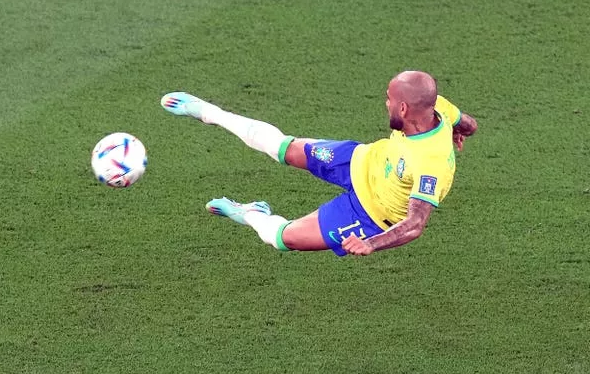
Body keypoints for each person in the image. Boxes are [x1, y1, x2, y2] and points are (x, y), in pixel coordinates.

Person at [161, 71, 478, 256]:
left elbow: (414, 225)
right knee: (282, 147)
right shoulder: (438, 108)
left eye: (389, 100)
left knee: (282, 238)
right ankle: (208, 113)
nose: (386, 103)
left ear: (405, 108)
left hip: (368, 214)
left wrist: (371, 243)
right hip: (362, 160)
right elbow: (469, 123)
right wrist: (460, 129)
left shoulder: (430, 163)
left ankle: (252, 214)